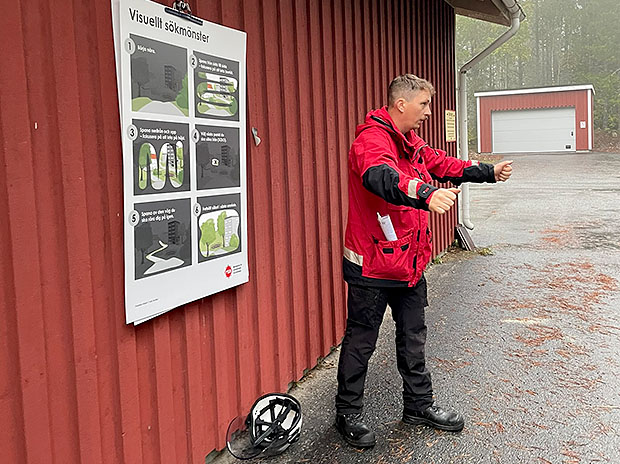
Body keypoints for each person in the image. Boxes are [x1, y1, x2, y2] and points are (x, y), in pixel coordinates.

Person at [335, 74, 512, 448]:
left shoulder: (412, 144)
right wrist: (425, 193)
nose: (428, 113)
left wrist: (487, 172)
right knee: (361, 341)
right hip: (372, 265)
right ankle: (347, 413)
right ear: (401, 104)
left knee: (413, 338)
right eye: (424, 105)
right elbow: (380, 177)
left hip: (409, 264)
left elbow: (443, 163)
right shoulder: (371, 140)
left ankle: (418, 405)